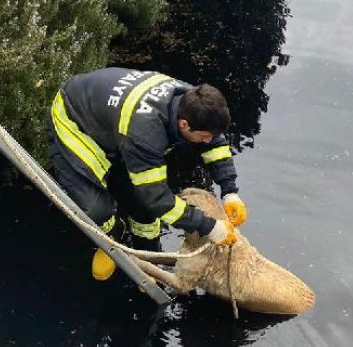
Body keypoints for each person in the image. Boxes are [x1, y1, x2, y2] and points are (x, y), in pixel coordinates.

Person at [46, 68, 248, 281]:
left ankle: (148, 256)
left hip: (116, 126)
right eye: (204, 136)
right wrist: (209, 227)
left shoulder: (192, 101)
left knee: (143, 209)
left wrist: (230, 191)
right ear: (184, 124)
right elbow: (158, 199)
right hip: (76, 124)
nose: (208, 141)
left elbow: (215, 142)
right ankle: (114, 236)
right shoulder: (146, 134)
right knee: (96, 209)